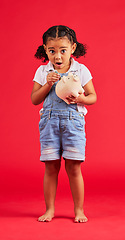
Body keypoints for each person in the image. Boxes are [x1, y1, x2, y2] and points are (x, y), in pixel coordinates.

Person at [31, 25, 97, 223]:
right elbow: (35, 99)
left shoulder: (81, 69)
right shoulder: (43, 71)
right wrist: (47, 84)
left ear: (73, 48)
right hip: (49, 124)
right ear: (45, 49)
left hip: (73, 124)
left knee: (74, 167)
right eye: (52, 51)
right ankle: (50, 210)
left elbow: (93, 96)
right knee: (51, 167)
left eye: (63, 50)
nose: (57, 56)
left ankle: (79, 210)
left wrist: (82, 100)